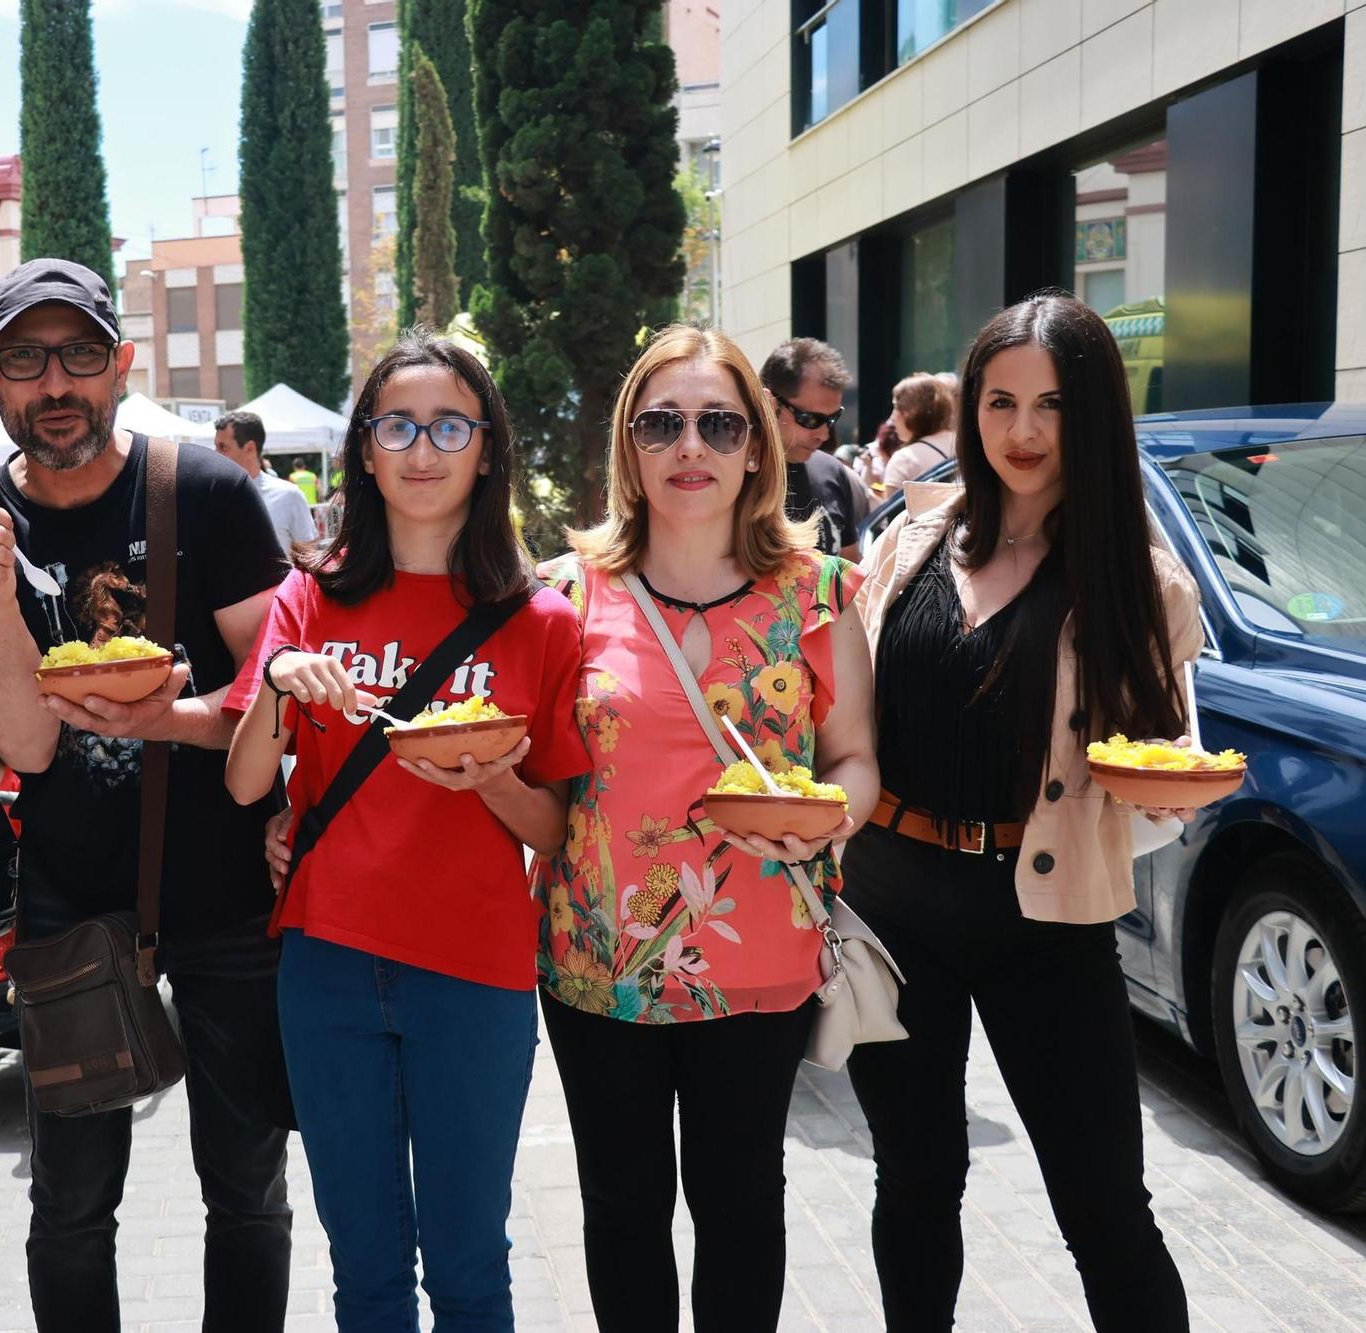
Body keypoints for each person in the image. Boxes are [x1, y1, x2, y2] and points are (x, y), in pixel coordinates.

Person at [0, 257, 293, 1332]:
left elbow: (282, 692)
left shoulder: (208, 493)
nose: (56, 383)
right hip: (68, 897)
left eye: (80, 355)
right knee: (70, 1202)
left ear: (121, 366)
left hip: (229, 898)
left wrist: (168, 720)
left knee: (244, 1191)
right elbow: (21, 745)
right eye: (24, 358)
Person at [845, 293, 1197, 1330]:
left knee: (1101, 1208)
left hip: (1043, 923)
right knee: (911, 1182)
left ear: (1091, 416)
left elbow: (1161, 761)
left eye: (1051, 405)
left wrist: (1136, 787)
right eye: (997, 403)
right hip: (890, 903)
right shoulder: (906, 545)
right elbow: (847, 722)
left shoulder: (1135, 579)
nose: (1022, 431)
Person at [228, 330, 587, 1330]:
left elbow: (553, 829)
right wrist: (274, 682)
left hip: (473, 968)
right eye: (396, 425)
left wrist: (488, 777)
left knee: (470, 1263)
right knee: (366, 1269)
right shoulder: (310, 594)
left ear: (485, 448)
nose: (421, 449)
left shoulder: (539, 619)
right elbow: (246, 779)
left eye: (447, 426)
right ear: (366, 452)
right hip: (328, 959)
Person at [530, 325, 878, 1331]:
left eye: (718, 423)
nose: (691, 446)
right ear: (627, 448)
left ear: (757, 449)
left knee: (738, 1210)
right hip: (597, 960)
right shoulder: (565, 593)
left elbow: (853, 758)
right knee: (622, 1212)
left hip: (758, 956)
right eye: (662, 423)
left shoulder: (813, 592)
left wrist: (826, 823)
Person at [760, 337, 870, 560]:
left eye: (832, 419)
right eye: (810, 419)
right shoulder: (733, 477)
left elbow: (849, 571)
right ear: (769, 404)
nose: (824, 434)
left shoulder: (832, 471)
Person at [215, 411, 316, 549]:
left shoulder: (288, 495)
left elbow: (309, 553)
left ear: (249, 448)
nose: (216, 454)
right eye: (216, 447)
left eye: (223, 447)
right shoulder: (212, 495)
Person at [879, 373, 958, 492]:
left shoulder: (904, 459)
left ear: (912, 411)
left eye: (896, 407)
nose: (892, 418)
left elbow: (893, 510)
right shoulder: (969, 445)